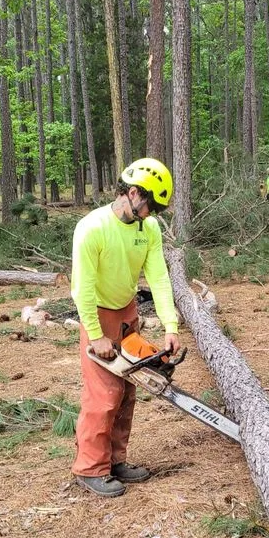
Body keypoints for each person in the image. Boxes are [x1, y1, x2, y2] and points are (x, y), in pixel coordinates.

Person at [70, 158, 180, 498]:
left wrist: (170, 326)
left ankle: (116, 460)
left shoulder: (148, 230)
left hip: (127, 313)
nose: (152, 214)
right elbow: (82, 288)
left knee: (128, 390)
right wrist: (96, 333)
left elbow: (159, 278)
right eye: (151, 206)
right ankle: (90, 467)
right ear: (132, 193)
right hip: (97, 315)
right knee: (104, 394)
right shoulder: (93, 228)